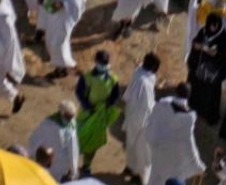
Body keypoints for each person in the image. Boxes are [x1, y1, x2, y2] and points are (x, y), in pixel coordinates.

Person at [144, 86, 206, 185]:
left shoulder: (162, 105)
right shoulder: (188, 118)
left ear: (176, 92)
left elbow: (151, 124)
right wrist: (198, 165)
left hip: (158, 152)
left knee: (154, 178)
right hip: (172, 160)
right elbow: (189, 143)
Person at [76, 51, 122, 175]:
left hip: (100, 116)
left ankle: (86, 165)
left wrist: (107, 104)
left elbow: (115, 95)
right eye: (101, 63)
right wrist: (88, 106)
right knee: (79, 137)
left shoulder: (113, 79)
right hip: (86, 114)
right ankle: (73, 161)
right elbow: (79, 93)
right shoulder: (86, 77)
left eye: (105, 63)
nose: (103, 66)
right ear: (96, 62)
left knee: (93, 141)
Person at [38, 0, 83, 78]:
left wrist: (63, 4)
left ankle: (62, 69)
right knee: (50, 41)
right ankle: (61, 66)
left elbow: (76, 2)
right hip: (53, 16)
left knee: (59, 43)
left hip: (64, 17)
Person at [187, 13, 226, 124]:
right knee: (197, 90)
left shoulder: (223, 38)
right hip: (200, 69)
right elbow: (196, 42)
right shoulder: (203, 31)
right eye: (210, 25)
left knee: (211, 95)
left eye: (215, 26)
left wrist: (212, 52)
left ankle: (209, 116)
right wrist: (197, 46)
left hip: (214, 72)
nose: (212, 28)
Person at [122, 53, 161, 183]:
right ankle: (140, 176)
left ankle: (130, 168)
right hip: (142, 121)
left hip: (132, 115)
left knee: (130, 144)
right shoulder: (145, 83)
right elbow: (150, 106)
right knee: (143, 152)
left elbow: (140, 67)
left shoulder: (139, 73)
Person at [29, 100, 80, 182]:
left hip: (61, 166)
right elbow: (34, 140)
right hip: (46, 161)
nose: (70, 119)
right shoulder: (48, 124)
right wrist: (33, 156)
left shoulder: (72, 126)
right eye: (68, 116)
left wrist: (74, 168)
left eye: (72, 117)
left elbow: (73, 148)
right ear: (61, 113)